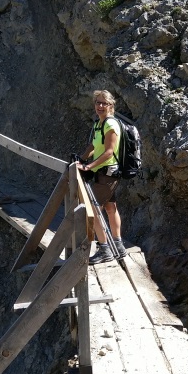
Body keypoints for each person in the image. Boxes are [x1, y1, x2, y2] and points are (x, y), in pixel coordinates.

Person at [79, 90, 125, 264]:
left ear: (110, 105)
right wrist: (81, 159)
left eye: (103, 103)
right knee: (110, 208)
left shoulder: (110, 124)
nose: (99, 106)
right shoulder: (99, 123)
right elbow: (93, 145)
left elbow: (109, 152)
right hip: (103, 172)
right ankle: (118, 246)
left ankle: (105, 249)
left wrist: (88, 166)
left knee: (93, 209)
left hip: (108, 172)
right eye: (97, 102)